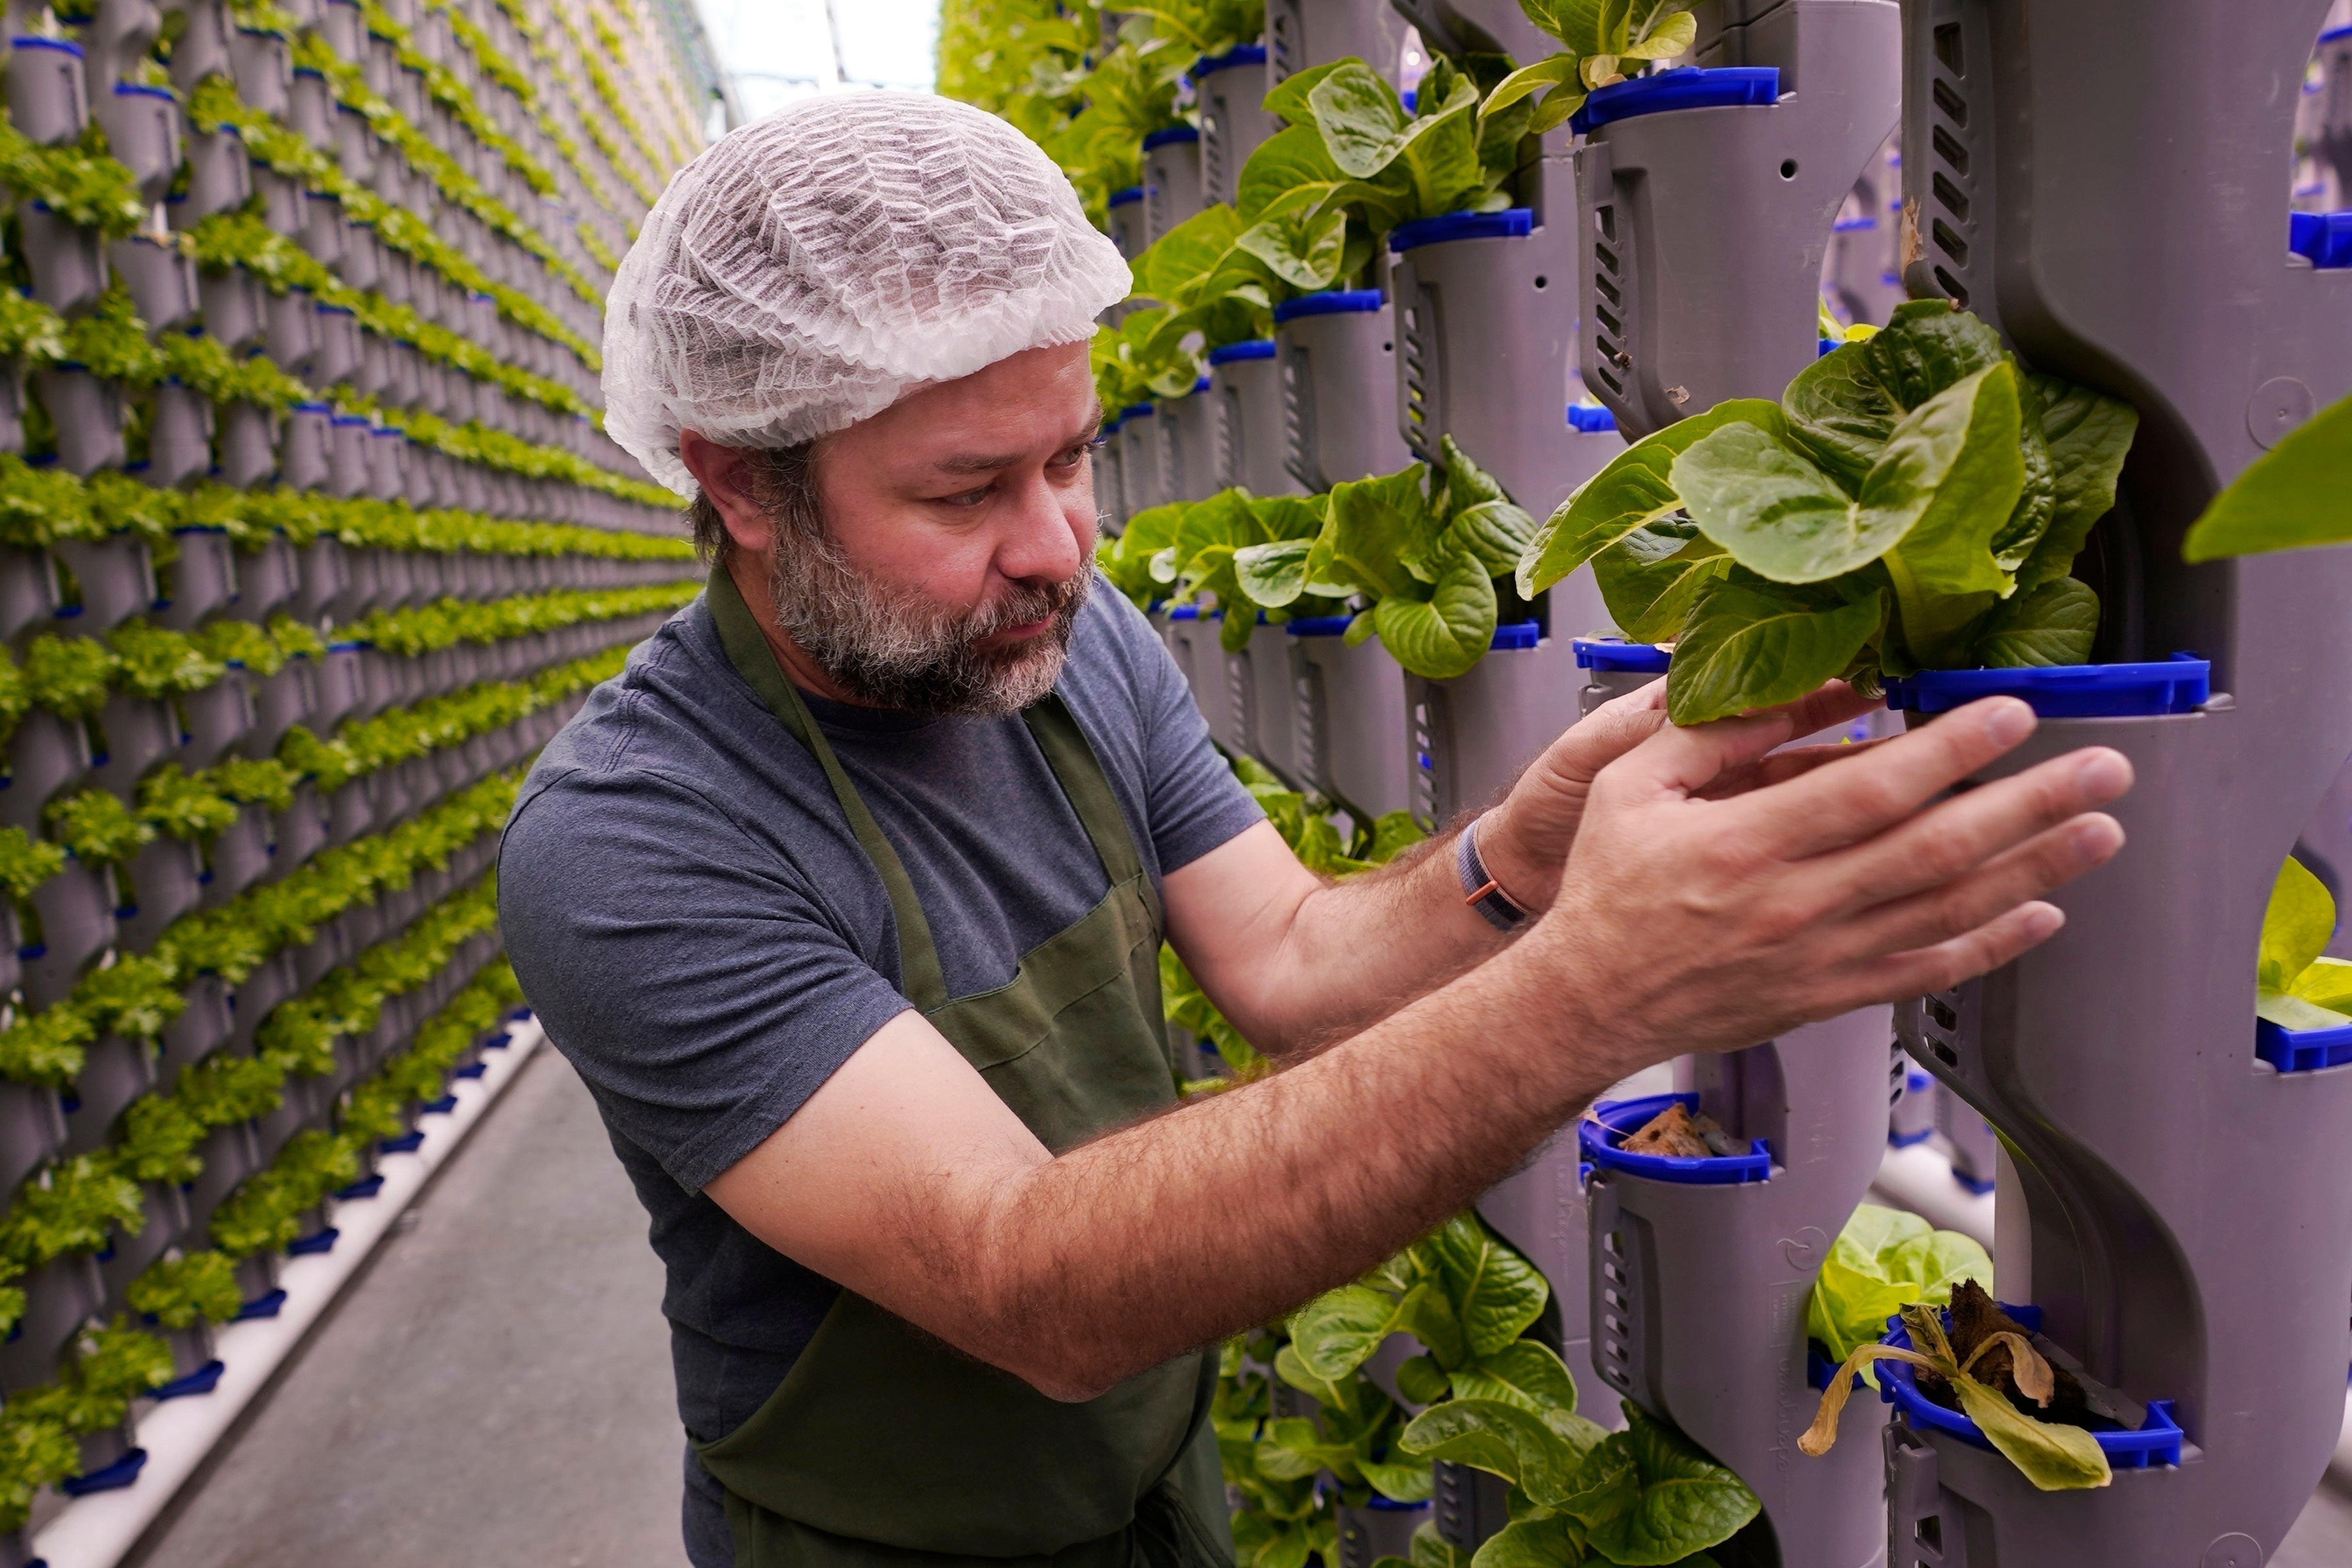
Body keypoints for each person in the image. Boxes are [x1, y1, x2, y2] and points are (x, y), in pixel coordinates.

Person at [497, 92, 2132, 1568]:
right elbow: (1028, 1285)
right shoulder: (640, 840)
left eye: (1068, 457)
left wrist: (1521, 858)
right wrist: (1599, 989)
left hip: (1152, 1483)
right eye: (961, 490)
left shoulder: (1062, 637)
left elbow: (1288, 957)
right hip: (885, 1541)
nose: (1056, 544)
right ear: (739, 486)